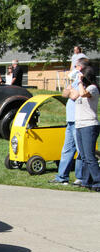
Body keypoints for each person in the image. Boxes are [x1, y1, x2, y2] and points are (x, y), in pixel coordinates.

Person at [49, 58, 89, 186]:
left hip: (79, 121)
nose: (72, 69)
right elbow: (64, 93)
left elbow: (75, 96)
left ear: (80, 68)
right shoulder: (75, 81)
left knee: (80, 151)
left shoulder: (85, 82)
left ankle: (81, 178)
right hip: (70, 121)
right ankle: (62, 177)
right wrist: (71, 88)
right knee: (67, 150)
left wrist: (71, 89)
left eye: (75, 66)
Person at [74, 66, 100, 191]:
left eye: (81, 75)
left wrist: (79, 81)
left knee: (90, 156)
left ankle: (98, 181)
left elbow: (83, 94)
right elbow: (68, 94)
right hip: (79, 125)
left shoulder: (93, 88)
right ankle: (87, 181)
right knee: (83, 156)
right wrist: (71, 81)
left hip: (89, 125)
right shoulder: (81, 88)